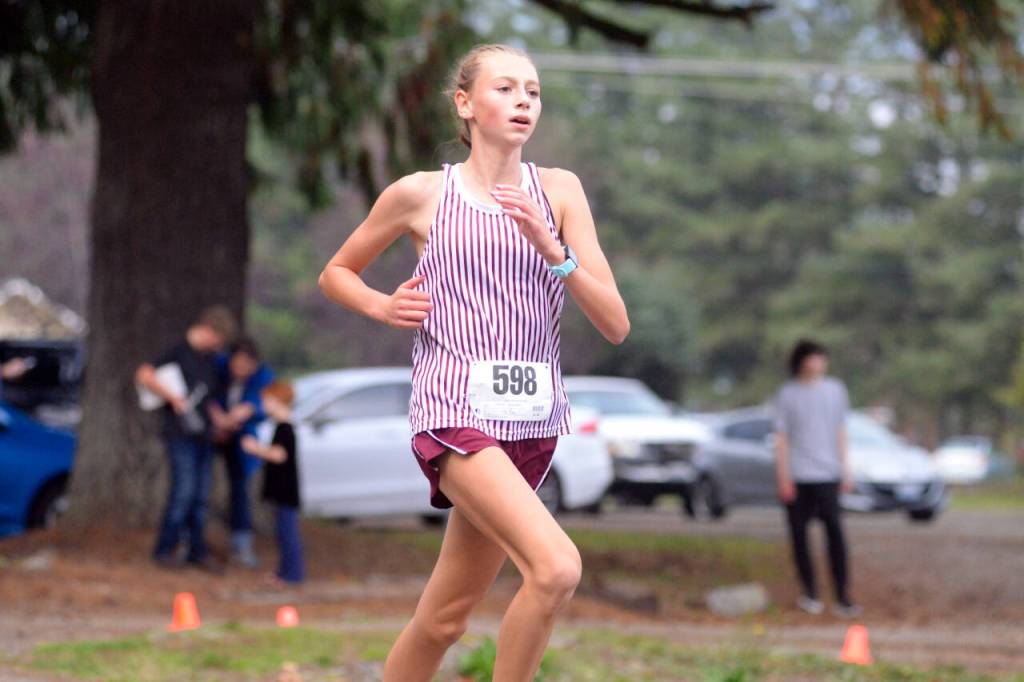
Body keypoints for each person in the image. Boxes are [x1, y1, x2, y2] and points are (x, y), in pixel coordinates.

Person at [318, 43, 629, 682]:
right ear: (465, 103)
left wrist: (554, 249)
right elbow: (337, 272)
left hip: (529, 423)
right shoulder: (420, 194)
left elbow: (615, 323)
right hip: (454, 413)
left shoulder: (560, 191)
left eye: (534, 92)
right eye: (506, 88)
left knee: (445, 619)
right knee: (556, 568)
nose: (523, 101)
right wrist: (383, 308)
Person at [136, 305, 236, 572]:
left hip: (204, 435)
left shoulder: (210, 360)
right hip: (180, 434)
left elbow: (210, 399)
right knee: (183, 492)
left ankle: (197, 550)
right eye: (217, 339)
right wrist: (173, 398)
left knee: (201, 496)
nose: (218, 346)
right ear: (208, 330)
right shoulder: (177, 350)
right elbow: (144, 374)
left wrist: (222, 421)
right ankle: (165, 549)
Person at [773, 339, 861, 618]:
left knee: (835, 534)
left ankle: (842, 596)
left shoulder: (836, 390)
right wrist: (783, 478)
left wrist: (845, 469)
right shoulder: (787, 395)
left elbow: (841, 431)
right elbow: (781, 439)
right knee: (799, 538)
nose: (819, 362)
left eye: (821, 356)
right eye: (813, 357)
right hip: (798, 475)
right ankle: (809, 593)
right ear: (801, 361)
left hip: (828, 474)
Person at [211, 336, 275, 568]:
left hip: (241, 439)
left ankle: (241, 544)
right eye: (237, 365)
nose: (241, 370)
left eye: (246, 366)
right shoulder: (218, 368)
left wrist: (249, 410)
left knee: (241, 490)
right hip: (212, 433)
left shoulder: (263, 378)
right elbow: (205, 392)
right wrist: (217, 418)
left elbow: (273, 400)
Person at [240, 381, 303, 586]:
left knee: (288, 533)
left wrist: (255, 448)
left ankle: (292, 575)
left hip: (286, 491)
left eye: (267, 400)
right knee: (282, 533)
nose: (264, 405)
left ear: (278, 401)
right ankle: (284, 573)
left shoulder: (286, 428)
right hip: (281, 491)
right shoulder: (280, 426)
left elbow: (279, 455)